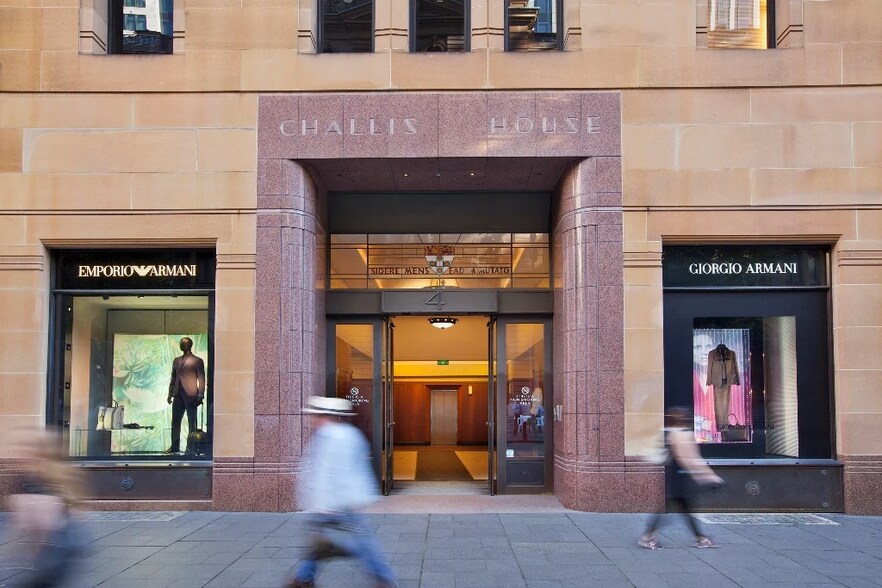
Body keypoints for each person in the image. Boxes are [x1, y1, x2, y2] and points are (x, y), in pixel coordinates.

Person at [286, 396, 398, 588]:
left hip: (337, 502)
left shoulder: (333, 438)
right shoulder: (347, 434)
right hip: (341, 500)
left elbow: (329, 473)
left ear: (326, 416)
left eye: (316, 415)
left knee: (360, 541)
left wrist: (323, 505)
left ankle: (383, 578)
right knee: (319, 541)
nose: (312, 419)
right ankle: (304, 577)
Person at [6, 428, 84, 587]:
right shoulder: (61, 474)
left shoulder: (36, 479)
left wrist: (35, 554)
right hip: (64, 546)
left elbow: (43, 525)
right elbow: (76, 508)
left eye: (28, 448)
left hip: (52, 550)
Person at [638, 406, 724, 550]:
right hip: (679, 478)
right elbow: (690, 459)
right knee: (677, 509)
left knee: (682, 509)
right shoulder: (683, 434)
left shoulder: (668, 432)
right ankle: (647, 536)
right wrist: (711, 476)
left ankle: (701, 538)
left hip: (673, 477)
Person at [166, 336, 205, 454]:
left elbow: (202, 379)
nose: (181, 345)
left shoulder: (197, 360)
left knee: (192, 421)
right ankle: (175, 446)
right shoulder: (176, 360)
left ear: (190, 345)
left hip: (191, 394)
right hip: (178, 393)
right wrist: (170, 393)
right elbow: (173, 377)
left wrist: (200, 395)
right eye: (181, 343)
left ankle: (191, 448)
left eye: (184, 343)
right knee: (175, 421)